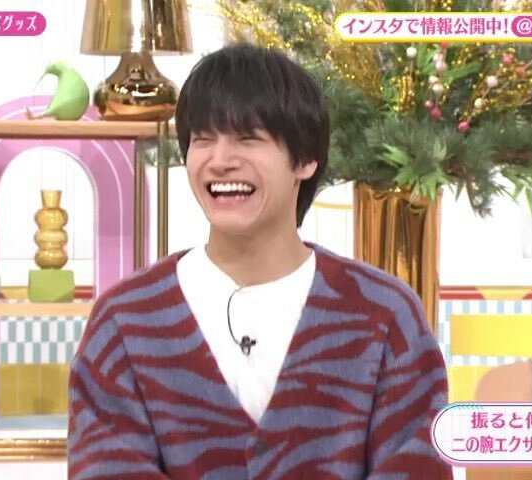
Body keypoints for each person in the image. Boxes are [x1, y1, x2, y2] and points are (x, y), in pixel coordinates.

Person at [68, 43, 452, 479]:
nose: (220, 161)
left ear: (305, 160)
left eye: (248, 138)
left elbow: (418, 467)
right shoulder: (126, 319)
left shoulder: (384, 314)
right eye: (203, 139)